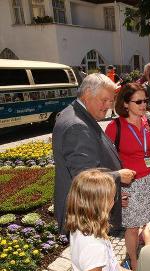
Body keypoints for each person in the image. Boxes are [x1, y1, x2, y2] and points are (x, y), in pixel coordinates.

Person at [52, 73, 136, 234]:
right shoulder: (77, 126)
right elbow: (85, 178)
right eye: (104, 100)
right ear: (87, 94)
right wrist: (118, 176)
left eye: (111, 101)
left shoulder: (77, 114)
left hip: (89, 211)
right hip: (87, 216)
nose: (108, 106)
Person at [105, 83, 150, 270]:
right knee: (132, 227)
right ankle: (134, 260)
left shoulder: (149, 123)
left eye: (145, 101)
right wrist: (117, 191)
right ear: (125, 103)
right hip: (129, 184)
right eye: (138, 101)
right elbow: (107, 162)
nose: (143, 105)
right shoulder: (114, 127)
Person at [65, 169, 138, 271]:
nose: (114, 202)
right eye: (112, 198)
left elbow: (106, 265)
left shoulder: (82, 228)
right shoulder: (94, 247)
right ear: (100, 205)